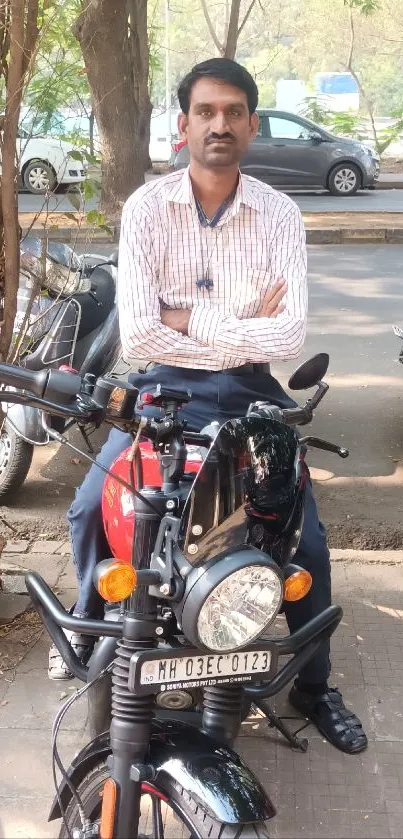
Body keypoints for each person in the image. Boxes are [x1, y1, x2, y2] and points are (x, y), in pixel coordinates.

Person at [48, 57, 367, 755]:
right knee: (90, 509)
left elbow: (285, 334)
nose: (218, 124)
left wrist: (189, 317)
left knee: (303, 542)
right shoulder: (147, 209)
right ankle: (87, 626)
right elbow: (140, 331)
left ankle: (314, 687)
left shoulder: (279, 213)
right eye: (204, 111)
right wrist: (235, 317)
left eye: (232, 112)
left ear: (251, 124)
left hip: (254, 389)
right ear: (184, 124)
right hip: (162, 383)